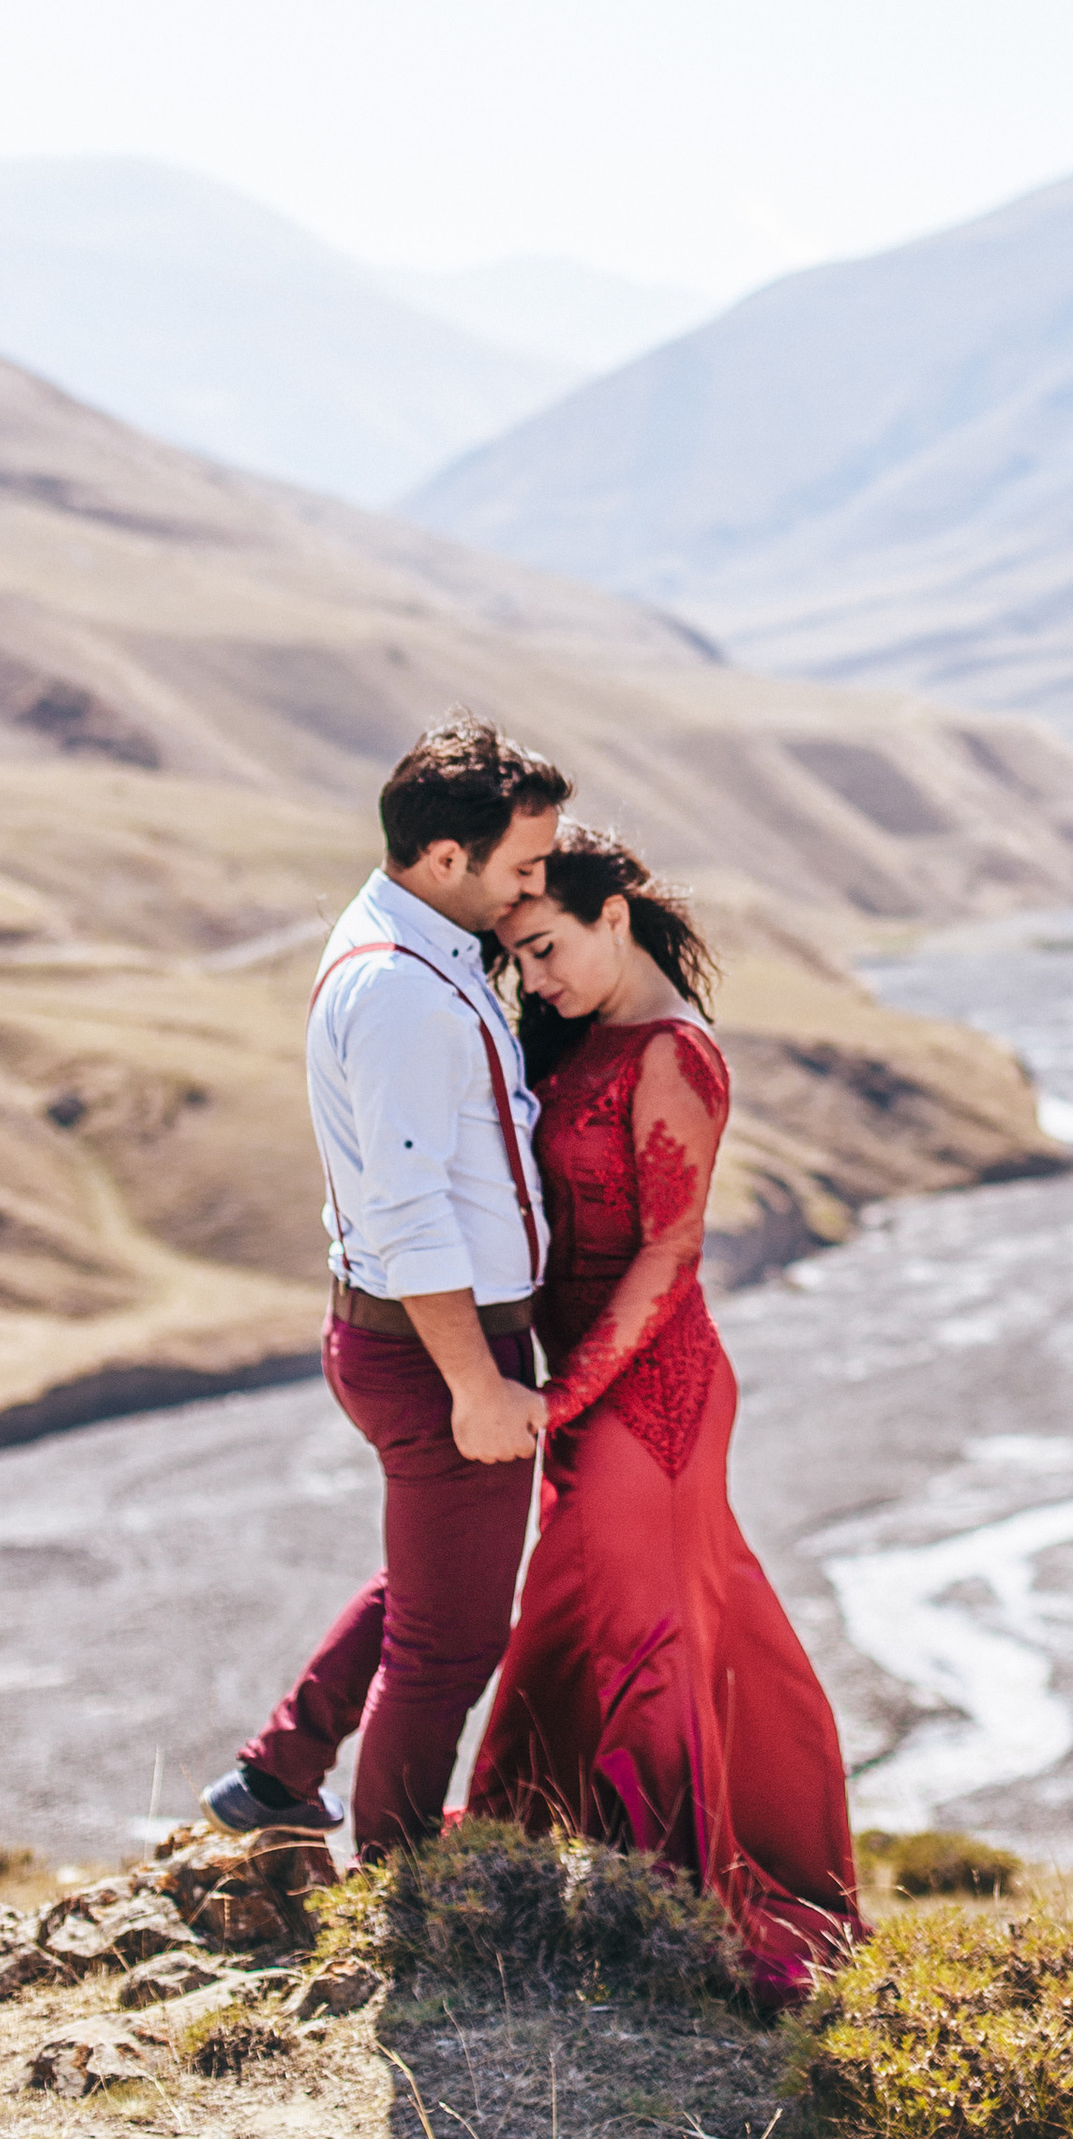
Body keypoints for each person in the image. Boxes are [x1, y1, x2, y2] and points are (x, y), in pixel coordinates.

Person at [466, 825, 862, 1997]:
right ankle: (539, 1861)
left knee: (642, 1628)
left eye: (545, 951)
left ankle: (675, 1898)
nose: (536, 981)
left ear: (614, 920)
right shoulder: (583, 1037)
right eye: (520, 964)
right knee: (592, 1613)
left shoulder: (676, 1054)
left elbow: (673, 1251)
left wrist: (565, 1395)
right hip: (587, 1383)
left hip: (654, 1391)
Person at [203, 712, 569, 1855]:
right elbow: (407, 1214)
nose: (533, 889)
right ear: (445, 859)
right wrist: (476, 1384)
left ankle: (277, 1773)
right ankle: (401, 1881)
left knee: (430, 1586)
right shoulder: (405, 991)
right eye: (523, 867)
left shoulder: (415, 943)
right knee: (452, 1644)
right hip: (435, 1349)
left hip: (414, 1340)